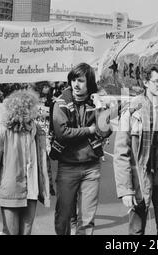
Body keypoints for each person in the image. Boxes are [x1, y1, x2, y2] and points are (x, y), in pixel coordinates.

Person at [113, 63, 158, 235]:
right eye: (157, 81)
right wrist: (126, 190)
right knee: (137, 230)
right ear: (146, 82)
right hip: (140, 180)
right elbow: (121, 153)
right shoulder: (131, 110)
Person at [0, 90, 50, 235]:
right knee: (11, 232)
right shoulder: (2, 132)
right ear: (20, 110)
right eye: (30, 108)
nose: (34, 111)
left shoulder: (37, 130)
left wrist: (46, 186)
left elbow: (42, 162)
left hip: (32, 191)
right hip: (10, 192)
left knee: (26, 233)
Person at [52, 63, 111, 235]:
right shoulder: (61, 103)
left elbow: (105, 131)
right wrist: (89, 130)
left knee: (86, 220)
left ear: (89, 83)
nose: (76, 84)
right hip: (67, 166)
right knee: (63, 216)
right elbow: (62, 132)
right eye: (73, 80)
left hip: (91, 167)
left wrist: (100, 106)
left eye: (80, 80)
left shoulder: (97, 101)